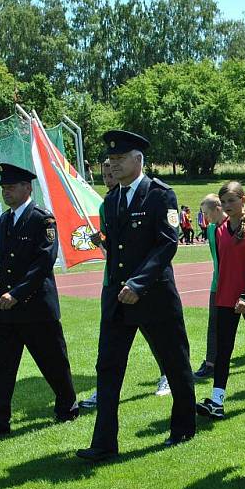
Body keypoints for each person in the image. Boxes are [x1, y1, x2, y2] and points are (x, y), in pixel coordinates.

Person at [76, 130, 196, 462]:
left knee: (174, 362)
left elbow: (166, 243)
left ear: (137, 160)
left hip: (154, 296)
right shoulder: (110, 201)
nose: (112, 165)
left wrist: (139, 283)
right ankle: (103, 442)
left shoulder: (160, 195)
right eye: (110, 159)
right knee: (108, 367)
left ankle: (184, 427)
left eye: (119, 159)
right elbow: (117, 250)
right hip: (117, 298)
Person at [0, 163, 78, 441]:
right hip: (4, 308)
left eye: (11, 187)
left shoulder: (43, 220)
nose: (6, 192)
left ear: (27, 188)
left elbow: (43, 263)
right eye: (4, 188)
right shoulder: (4, 220)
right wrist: (5, 297)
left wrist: (17, 294)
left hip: (35, 307)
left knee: (53, 362)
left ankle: (67, 405)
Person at [80, 160, 172, 409]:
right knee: (109, 354)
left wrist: (138, 283)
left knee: (157, 340)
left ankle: (166, 377)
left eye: (112, 172)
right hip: (113, 284)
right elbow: (112, 248)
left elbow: (160, 243)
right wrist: (98, 240)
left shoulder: (152, 195)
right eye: (106, 175)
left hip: (143, 286)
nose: (109, 178)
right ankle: (104, 392)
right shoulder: (108, 204)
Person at [196, 182, 245, 419]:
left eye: (232, 200)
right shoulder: (219, 230)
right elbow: (223, 268)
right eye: (224, 202)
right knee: (223, 350)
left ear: (243, 200)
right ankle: (217, 401)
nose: (228, 206)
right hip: (225, 298)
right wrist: (225, 296)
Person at [194, 194, 225, 379]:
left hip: (237, 286)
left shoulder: (233, 226)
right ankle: (211, 363)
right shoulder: (212, 229)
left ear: (217, 209)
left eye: (207, 213)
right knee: (213, 324)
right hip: (217, 285)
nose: (205, 218)